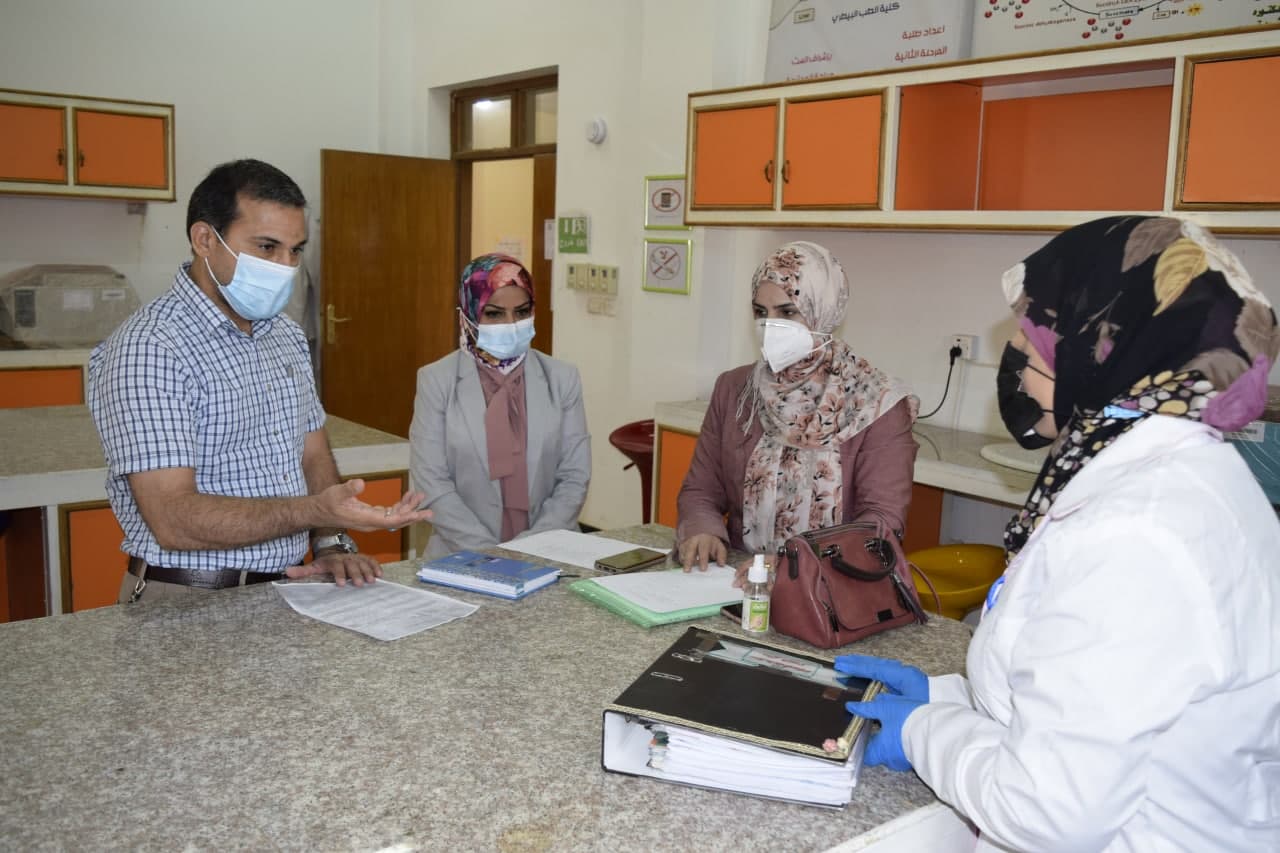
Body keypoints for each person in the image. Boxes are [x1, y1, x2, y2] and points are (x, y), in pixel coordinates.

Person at [839, 216, 1280, 851]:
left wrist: (922, 731)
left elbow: (1047, 813)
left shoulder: (1140, 533)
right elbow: (1099, 699)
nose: (1018, 361)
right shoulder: (1180, 472)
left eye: (1036, 337)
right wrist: (947, 695)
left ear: (1112, 345)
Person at [89, 159, 431, 603]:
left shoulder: (284, 335)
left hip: (287, 589)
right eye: (267, 247)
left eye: (296, 249)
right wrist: (314, 511)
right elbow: (172, 518)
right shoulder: (150, 348)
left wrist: (328, 539)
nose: (285, 266)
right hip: (186, 600)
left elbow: (311, 454)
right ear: (205, 239)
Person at [676, 241, 918, 576]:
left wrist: (796, 565)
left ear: (824, 311)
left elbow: (880, 524)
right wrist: (702, 529)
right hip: (738, 578)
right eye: (761, 312)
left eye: (787, 312)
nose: (769, 325)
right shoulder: (735, 390)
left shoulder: (876, 401)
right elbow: (701, 489)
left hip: (834, 590)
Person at [409, 253, 590, 558]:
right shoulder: (437, 381)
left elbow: (574, 477)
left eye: (522, 312)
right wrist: (489, 553)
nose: (511, 324)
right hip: (461, 555)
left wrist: (532, 550)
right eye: (494, 314)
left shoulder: (562, 378)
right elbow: (432, 484)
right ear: (467, 313)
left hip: (552, 552)